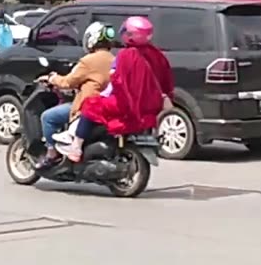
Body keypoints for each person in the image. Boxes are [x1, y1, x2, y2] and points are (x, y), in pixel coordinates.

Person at [55, 16, 174, 163]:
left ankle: (76, 147)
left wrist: (104, 96)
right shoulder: (158, 55)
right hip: (151, 105)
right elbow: (167, 81)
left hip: (129, 105)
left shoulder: (126, 55)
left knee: (90, 104)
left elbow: (117, 82)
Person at [34, 22, 116, 170]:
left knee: (48, 117)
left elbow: (68, 82)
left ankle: (52, 154)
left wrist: (52, 78)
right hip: (106, 105)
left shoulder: (88, 60)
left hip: (87, 106)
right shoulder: (113, 59)